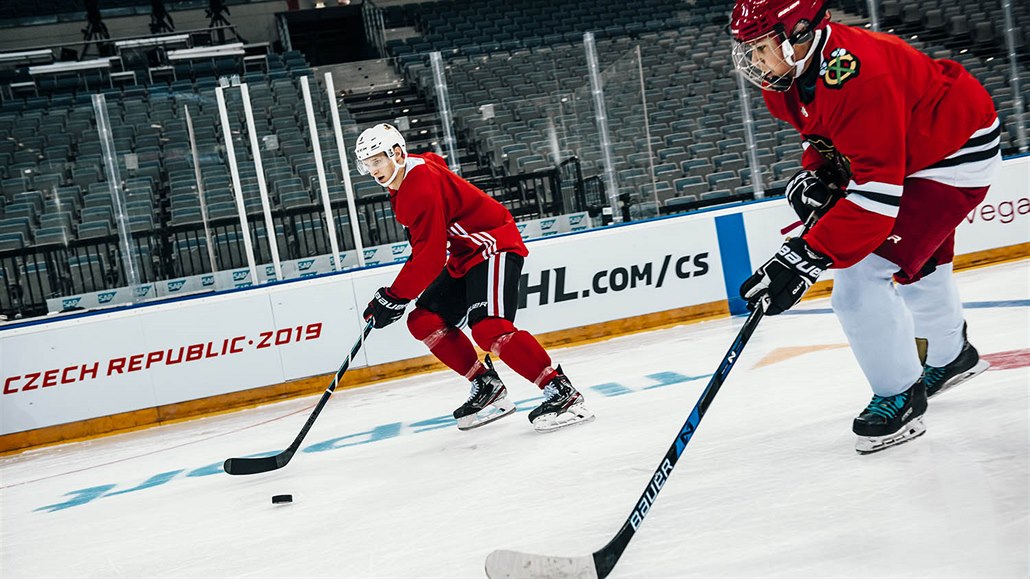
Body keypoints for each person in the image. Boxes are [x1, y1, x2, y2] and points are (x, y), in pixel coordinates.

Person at [730, 0, 997, 453]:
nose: (755, 61)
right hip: (912, 145)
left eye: (761, 47)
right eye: (749, 50)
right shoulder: (788, 80)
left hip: (951, 150)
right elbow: (832, 139)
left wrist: (807, 255)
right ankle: (951, 356)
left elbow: (877, 195)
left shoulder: (858, 74)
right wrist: (817, 174)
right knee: (916, 261)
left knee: (858, 283)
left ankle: (901, 395)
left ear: (798, 33)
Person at [354, 123, 595, 433]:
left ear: (397, 153)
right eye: (367, 163)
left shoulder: (418, 187)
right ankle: (487, 386)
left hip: (492, 245)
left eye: (377, 160)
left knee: (489, 329)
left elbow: (428, 257)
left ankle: (562, 393)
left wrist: (394, 296)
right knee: (423, 320)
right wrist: (396, 297)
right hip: (465, 254)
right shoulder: (408, 173)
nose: (373, 170)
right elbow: (434, 164)